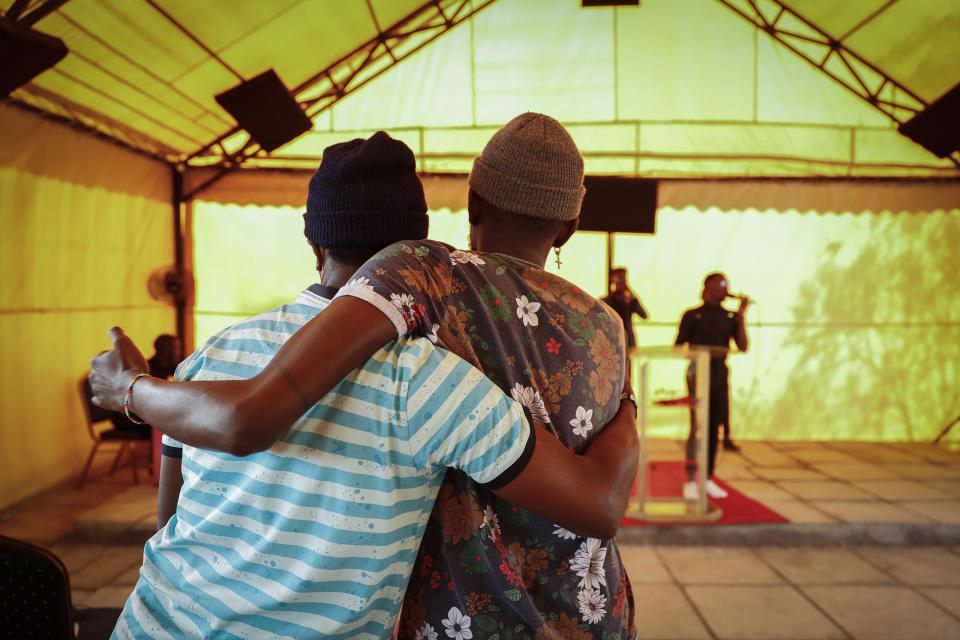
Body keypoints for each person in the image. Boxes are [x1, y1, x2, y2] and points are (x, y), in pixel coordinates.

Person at [90, 113, 639, 638]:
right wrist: (631, 408)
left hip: (154, 620)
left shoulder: (212, 353)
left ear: (313, 240)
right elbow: (598, 502)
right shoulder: (444, 376)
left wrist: (131, 390)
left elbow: (171, 523)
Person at [675, 272, 750, 500]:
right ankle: (690, 480)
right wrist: (698, 354)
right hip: (698, 373)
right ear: (707, 288)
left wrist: (741, 316)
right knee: (697, 427)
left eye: (727, 284)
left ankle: (707, 478)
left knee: (714, 426)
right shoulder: (691, 315)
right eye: (721, 284)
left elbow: (743, 345)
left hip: (719, 372)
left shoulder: (730, 316)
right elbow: (678, 346)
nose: (725, 288)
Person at [602, 266, 647, 380]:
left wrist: (630, 292)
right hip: (611, 343)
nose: (621, 283)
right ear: (613, 280)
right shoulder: (606, 301)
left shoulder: (630, 301)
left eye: (623, 280)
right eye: (618, 280)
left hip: (627, 344)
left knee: (627, 376)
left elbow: (644, 315)